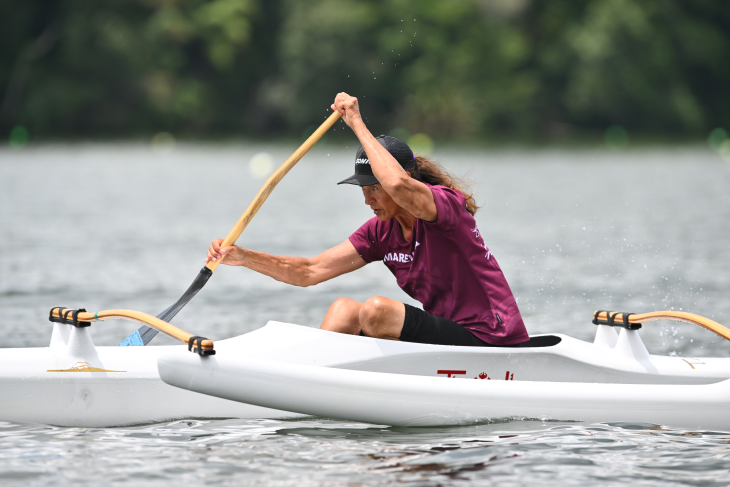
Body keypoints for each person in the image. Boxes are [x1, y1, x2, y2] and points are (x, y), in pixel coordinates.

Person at [206, 92, 529, 347]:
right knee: (343, 311)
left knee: (376, 311)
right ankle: (313, 385)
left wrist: (357, 124)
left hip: (492, 338)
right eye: (364, 189)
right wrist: (244, 257)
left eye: (375, 188)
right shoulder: (380, 232)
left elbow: (399, 186)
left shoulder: (445, 208)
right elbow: (309, 271)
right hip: (447, 340)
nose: (367, 199)